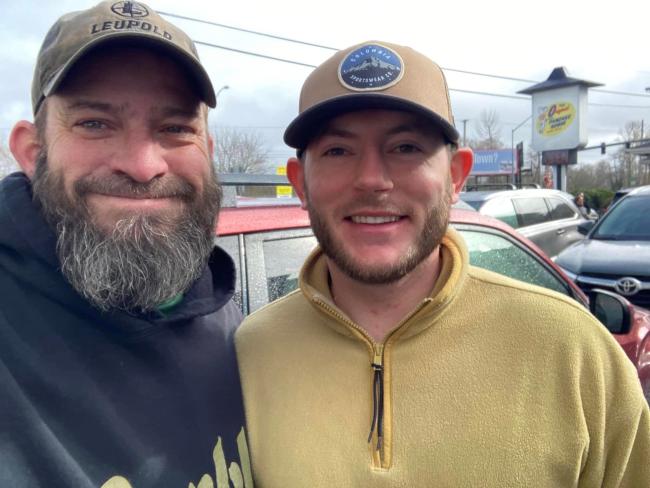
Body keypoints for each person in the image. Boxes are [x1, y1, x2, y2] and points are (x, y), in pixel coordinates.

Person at [235, 41, 650, 486]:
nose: (373, 179)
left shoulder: (574, 350)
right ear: (300, 183)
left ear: (455, 176)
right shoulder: (247, 355)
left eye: (407, 147)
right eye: (338, 151)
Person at [0, 2, 252, 486]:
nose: (142, 165)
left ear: (208, 151)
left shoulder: (226, 320)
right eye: (95, 123)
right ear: (32, 152)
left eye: (176, 128)